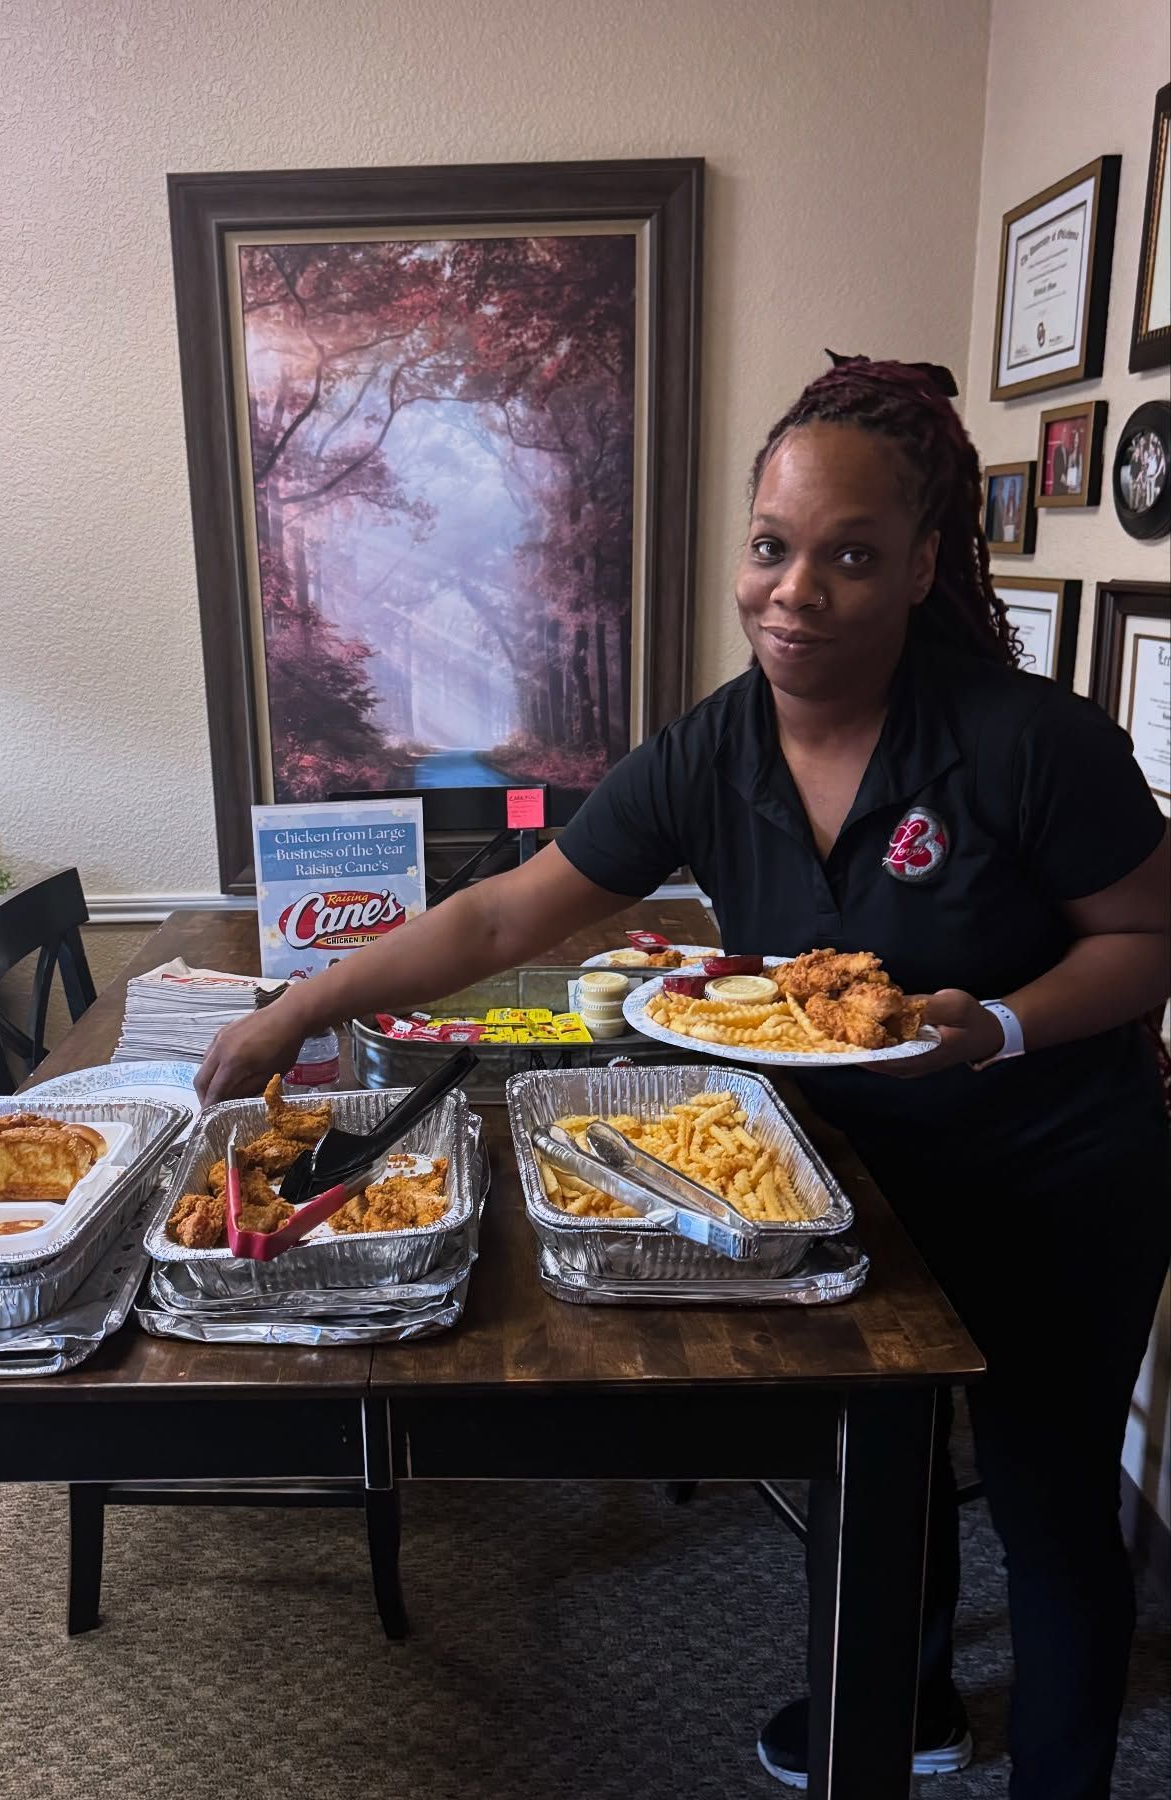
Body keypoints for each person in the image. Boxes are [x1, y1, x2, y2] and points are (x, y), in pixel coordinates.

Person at [197, 354, 1171, 1800]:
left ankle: (1062, 1778)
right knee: (888, 1455)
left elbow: (1148, 940)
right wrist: (302, 1005)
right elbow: (502, 917)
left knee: (1044, 1500)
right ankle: (904, 1703)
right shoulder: (712, 750)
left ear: (920, 566)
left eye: (850, 557)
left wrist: (1006, 1025)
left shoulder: (1029, 743)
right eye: (773, 547)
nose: (796, 592)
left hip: (1054, 1179)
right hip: (861, 1178)